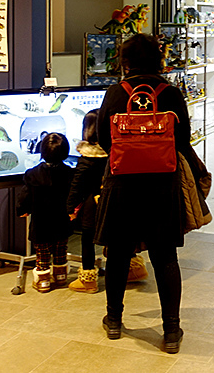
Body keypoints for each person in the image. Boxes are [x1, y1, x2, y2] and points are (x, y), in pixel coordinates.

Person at [94, 33, 209, 354]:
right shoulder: (171, 93)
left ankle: (114, 321)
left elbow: (104, 138)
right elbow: (183, 139)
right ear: (159, 60)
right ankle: (171, 331)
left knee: (118, 253)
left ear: (125, 61)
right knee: (165, 258)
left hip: (122, 184)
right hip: (163, 184)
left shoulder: (115, 93)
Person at [67, 109, 151, 293]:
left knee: (88, 240)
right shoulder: (117, 150)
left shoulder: (86, 159)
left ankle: (88, 279)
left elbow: (77, 186)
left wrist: (70, 207)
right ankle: (134, 269)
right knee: (121, 236)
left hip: (93, 205)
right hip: (117, 200)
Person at [15, 132, 75, 293]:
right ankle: (61, 275)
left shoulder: (32, 174)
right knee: (60, 248)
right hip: (62, 220)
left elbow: (24, 195)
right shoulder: (69, 173)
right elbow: (73, 195)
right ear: (65, 151)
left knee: (42, 252)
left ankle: (43, 280)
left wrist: (22, 210)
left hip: (41, 222)